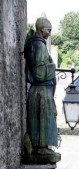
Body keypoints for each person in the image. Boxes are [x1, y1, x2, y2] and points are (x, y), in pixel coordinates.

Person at [24, 17, 58, 152]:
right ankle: (41, 147)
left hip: (39, 91)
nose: (49, 33)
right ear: (42, 28)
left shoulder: (35, 44)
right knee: (43, 119)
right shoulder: (39, 45)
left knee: (39, 119)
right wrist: (53, 67)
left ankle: (40, 146)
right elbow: (39, 73)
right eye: (48, 30)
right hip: (41, 91)